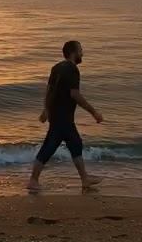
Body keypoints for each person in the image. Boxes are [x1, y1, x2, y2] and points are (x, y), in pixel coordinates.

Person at [27, 40, 103, 192]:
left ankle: (85, 179)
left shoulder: (56, 68)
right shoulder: (72, 69)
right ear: (73, 52)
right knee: (50, 146)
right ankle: (33, 180)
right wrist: (93, 111)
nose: (83, 53)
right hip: (63, 117)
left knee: (75, 143)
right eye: (81, 50)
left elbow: (49, 90)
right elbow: (74, 94)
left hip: (58, 115)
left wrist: (46, 110)